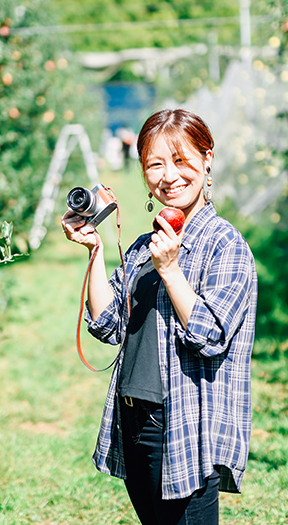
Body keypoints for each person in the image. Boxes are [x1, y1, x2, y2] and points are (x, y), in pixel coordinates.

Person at [61, 109, 257, 525]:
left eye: (181, 160)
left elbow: (210, 334)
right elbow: (107, 324)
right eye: (155, 164)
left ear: (207, 159)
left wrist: (170, 271)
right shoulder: (142, 247)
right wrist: (96, 252)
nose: (169, 176)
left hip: (182, 419)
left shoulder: (225, 245)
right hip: (133, 416)